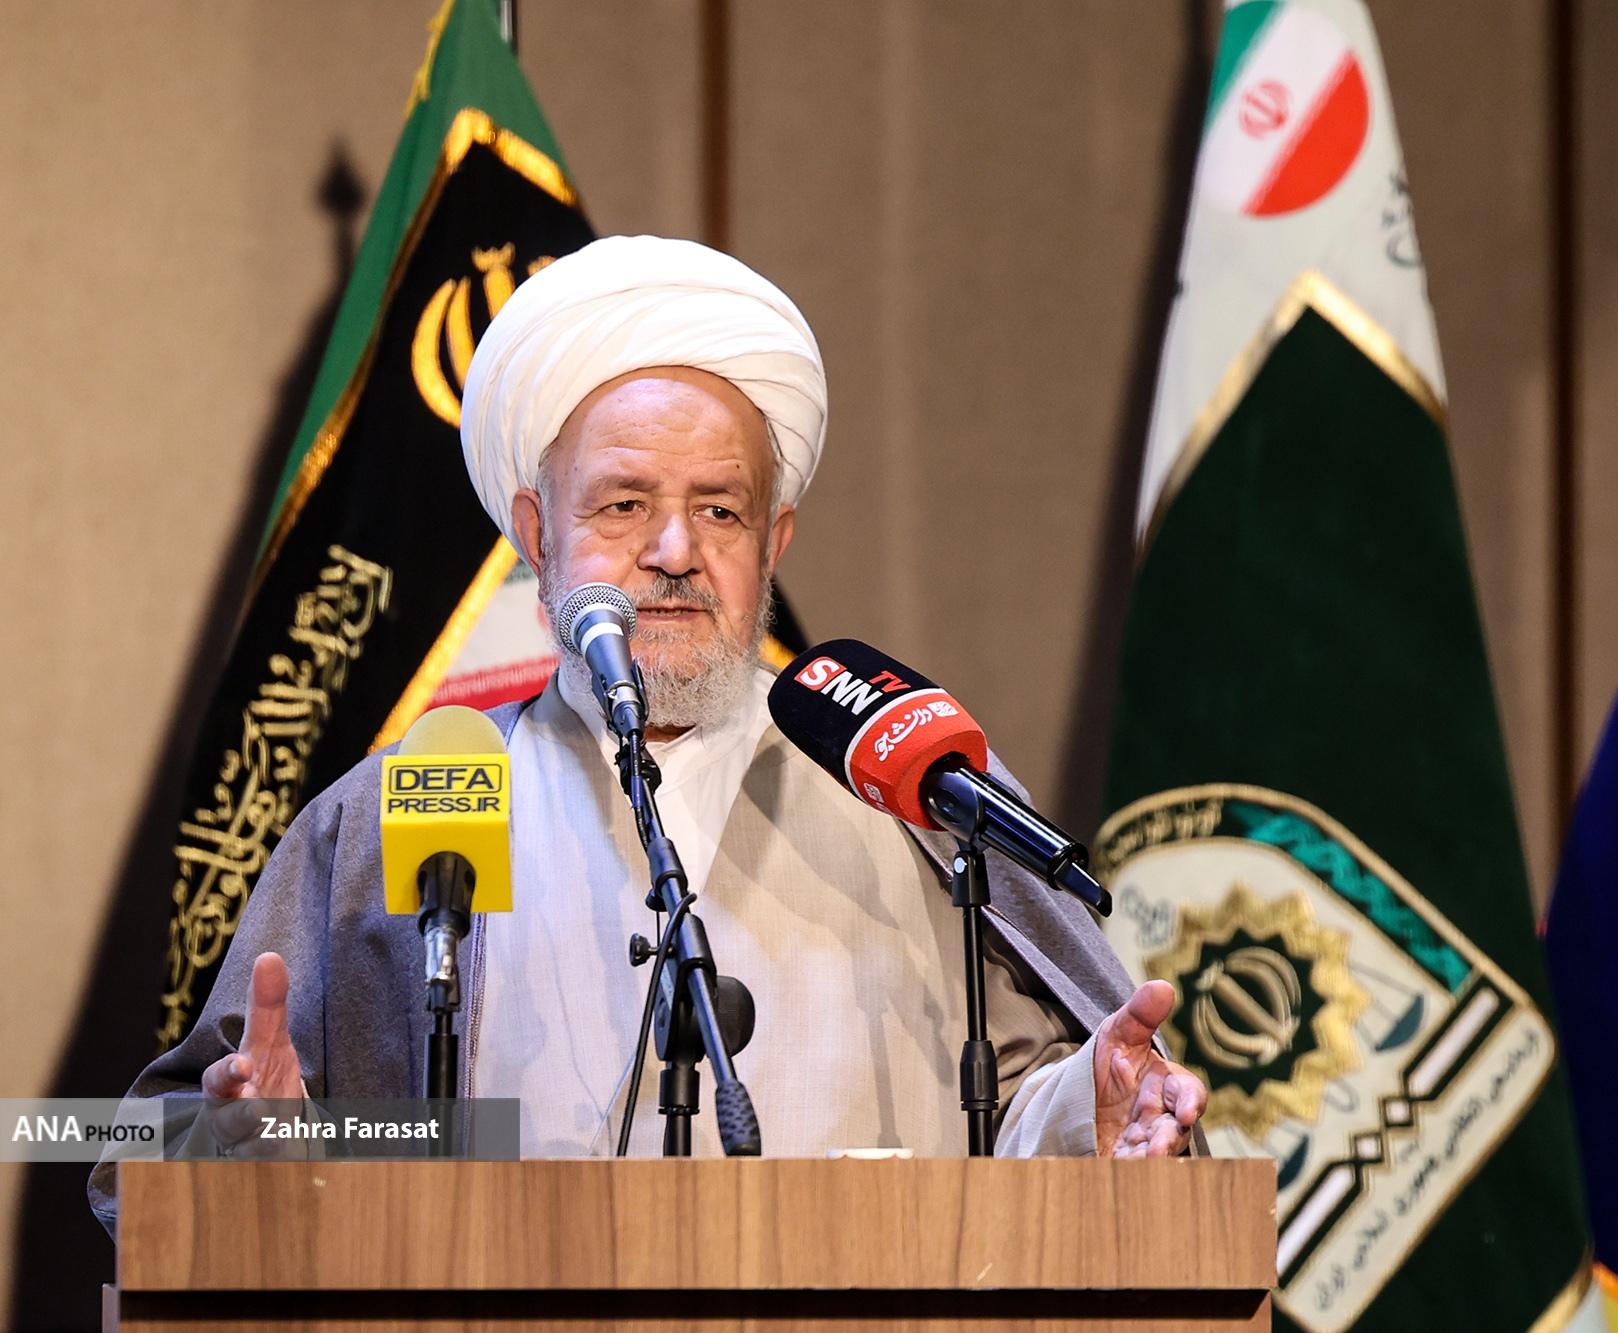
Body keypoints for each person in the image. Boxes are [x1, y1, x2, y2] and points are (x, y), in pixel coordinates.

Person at [90, 236, 1204, 1230]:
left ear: (773, 542)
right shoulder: (401, 810)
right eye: (623, 504)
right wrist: (259, 1148)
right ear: (538, 533)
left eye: (719, 509)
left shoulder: (912, 786)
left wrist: (1092, 1113)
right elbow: (126, 1153)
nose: (674, 550)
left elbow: (1027, 1116)